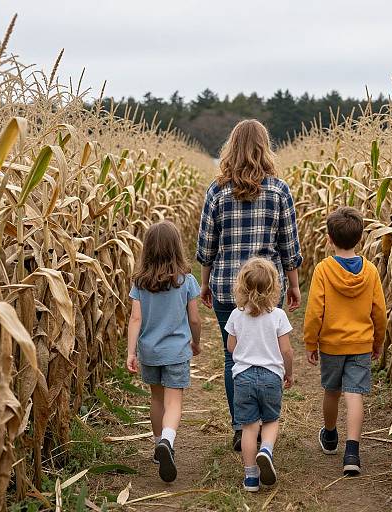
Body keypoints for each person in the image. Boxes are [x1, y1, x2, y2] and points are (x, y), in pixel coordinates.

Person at [196, 119, 302, 451]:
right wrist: (294, 285)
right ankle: (264, 425)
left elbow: (206, 245)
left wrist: (205, 283)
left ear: (232, 147)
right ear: (264, 147)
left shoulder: (217, 190)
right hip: (269, 287)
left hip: (229, 285)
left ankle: (242, 428)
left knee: (234, 357)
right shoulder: (279, 189)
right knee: (268, 352)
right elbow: (290, 245)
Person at [303, 207, 387, 476]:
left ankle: (330, 436)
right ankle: (352, 453)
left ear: (329, 238)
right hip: (361, 343)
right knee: (354, 396)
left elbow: (315, 310)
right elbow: (380, 311)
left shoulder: (324, 270)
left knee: (332, 392)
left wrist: (310, 342)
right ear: (360, 239)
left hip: (332, 344)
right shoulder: (371, 271)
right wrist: (378, 341)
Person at [126, 220, 201, 483]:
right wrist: (196, 342)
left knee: (156, 400)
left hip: (150, 352)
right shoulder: (187, 281)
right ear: (176, 248)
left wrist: (130, 352)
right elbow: (194, 319)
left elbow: (135, 319)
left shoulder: (140, 283)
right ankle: (168, 441)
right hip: (177, 352)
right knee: (174, 402)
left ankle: (159, 445)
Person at [225, 258, 294, 491]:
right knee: (271, 420)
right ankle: (266, 450)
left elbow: (231, 347)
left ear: (241, 287)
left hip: (243, 377)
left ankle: (251, 477)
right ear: (274, 287)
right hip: (271, 377)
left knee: (248, 427)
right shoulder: (278, 316)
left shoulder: (236, 315)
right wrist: (289, 373)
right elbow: (286, 350)